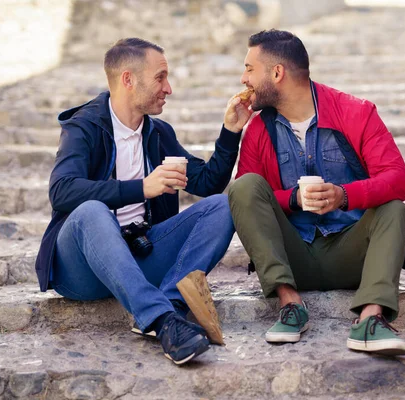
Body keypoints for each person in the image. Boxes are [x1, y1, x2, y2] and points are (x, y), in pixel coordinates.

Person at [34, 38, 252, 365]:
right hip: (82, 269)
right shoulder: (84, 126)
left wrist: (231, 130)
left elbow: (207, 183)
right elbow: (62, 190)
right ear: (128, 79)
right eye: (160, 77)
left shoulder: (158, 133)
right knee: (92, 211)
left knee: (223, 206)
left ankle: (172, 304)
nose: (169, 88)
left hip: (140, 253)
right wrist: (141, 188)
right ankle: (161, 321)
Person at [228, 29, 405, 356]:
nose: (243, 77)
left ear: (277, 73)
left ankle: (371, 320)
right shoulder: (258, 129)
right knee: (243, 186)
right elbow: (247, 200)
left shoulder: (355, 112)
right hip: (294, 258)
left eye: (249, 68)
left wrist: (343, 195)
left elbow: (400, 181)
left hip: (352, 256)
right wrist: (293, 199)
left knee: (394, 208)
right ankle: (290, 305)